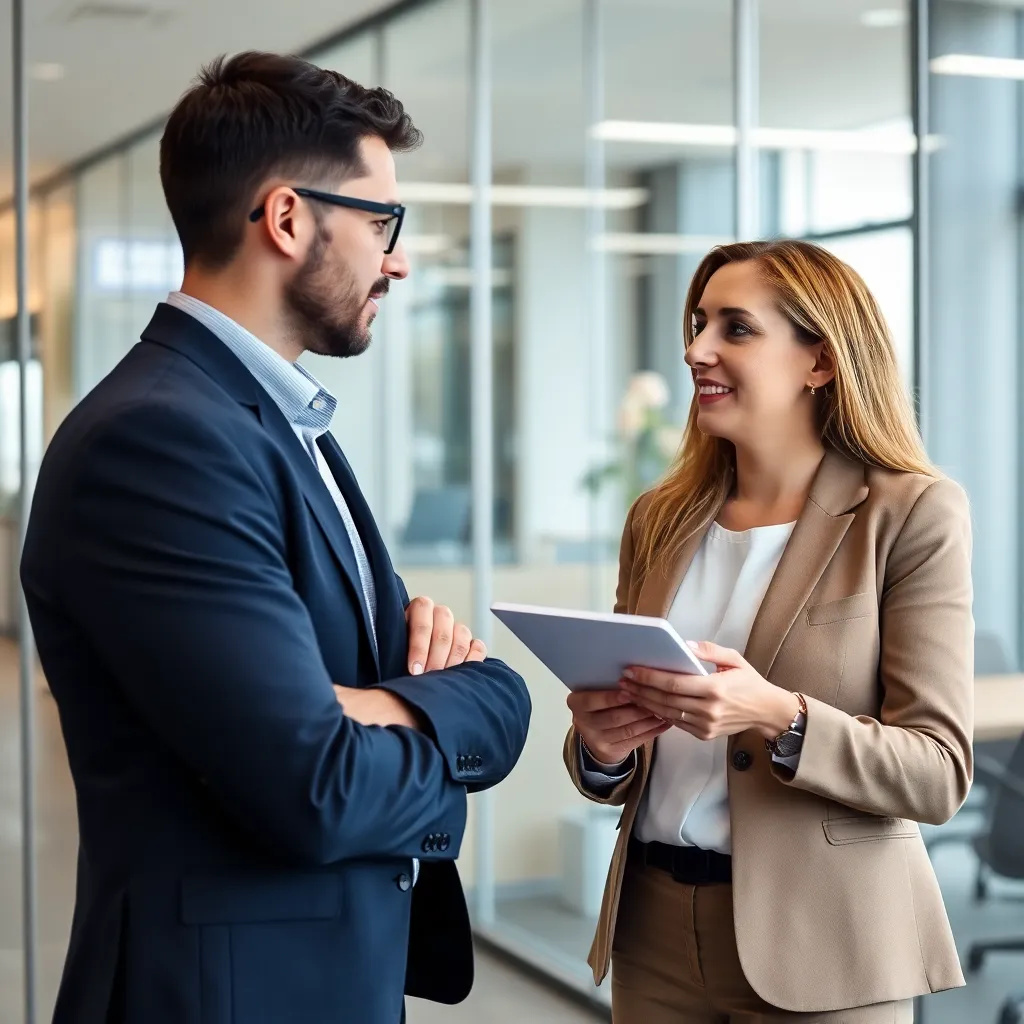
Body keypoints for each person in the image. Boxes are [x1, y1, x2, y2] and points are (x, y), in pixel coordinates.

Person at [21, 52, 531, 1024]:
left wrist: (390, 701)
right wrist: (441, 705)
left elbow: (490, 697)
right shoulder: (162, 440)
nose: (399, 257)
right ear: (288, 218)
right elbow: (316, 785)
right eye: (383, 221)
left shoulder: (274, 425)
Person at [563, 240, 973, 1023]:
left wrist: (776, 715)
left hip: (823, 942)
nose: (696, 349)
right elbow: (606, 761)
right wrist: (602, 746)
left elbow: (937, 773)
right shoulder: (659, 517)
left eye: (735, 328)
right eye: (697, 322)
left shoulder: (910, 513)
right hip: (652, 929)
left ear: (818, 361)